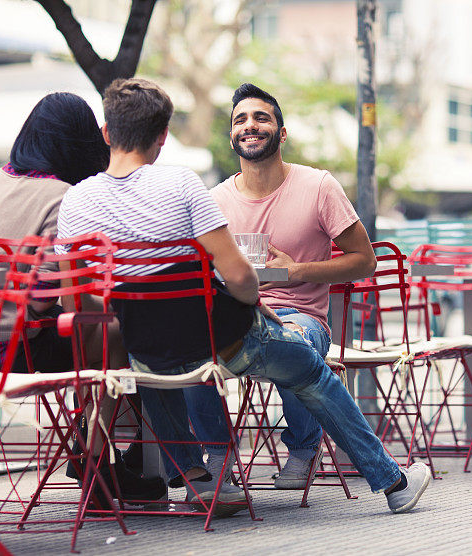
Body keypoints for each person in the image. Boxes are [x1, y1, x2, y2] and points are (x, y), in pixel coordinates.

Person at [55, 77, 431, 515]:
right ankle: (392, 482)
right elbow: (240, 277)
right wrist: (254, 300)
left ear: (106, 133)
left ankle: (205, 482)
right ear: (162, 137)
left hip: (146, 348)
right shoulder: (182, 186)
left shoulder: (76, 202)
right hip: (224, 337)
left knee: (160, 368)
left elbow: (74, 303)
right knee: (309, 370)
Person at [0, 92, 165, 504]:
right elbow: (45, 299)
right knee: (119, 334)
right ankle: (99, 463)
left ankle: (96, 451)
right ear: (81, 145)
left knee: (100, 333)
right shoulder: (63, 197)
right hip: (8, 354)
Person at [191, 83, 376, 490]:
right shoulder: (214, 199)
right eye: (241, 119)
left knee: (296, 339)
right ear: (232, 135)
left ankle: (304, 450)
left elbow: (365, 261)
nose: (250, 125)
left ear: (282, 132)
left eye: (261, 117)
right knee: (191, 347)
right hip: (238, 315)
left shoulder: (319, 186)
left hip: (300, 315)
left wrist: (296, 272)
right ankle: (218, 455)